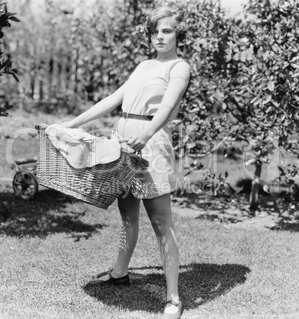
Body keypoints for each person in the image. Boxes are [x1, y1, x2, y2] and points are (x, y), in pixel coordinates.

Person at [58, 6, 190, 319]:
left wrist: (145, 134)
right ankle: (119, 274)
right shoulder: (144, 65)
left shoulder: (179, 66)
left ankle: (173, 297)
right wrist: (73, 123)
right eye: (155, 31)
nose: (159, 36)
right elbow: (113, 99)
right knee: (128, 216)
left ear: (178, 34)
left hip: (151, 145)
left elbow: (167, 106)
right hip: (122, 143)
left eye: (167, 31)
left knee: (161, 224)